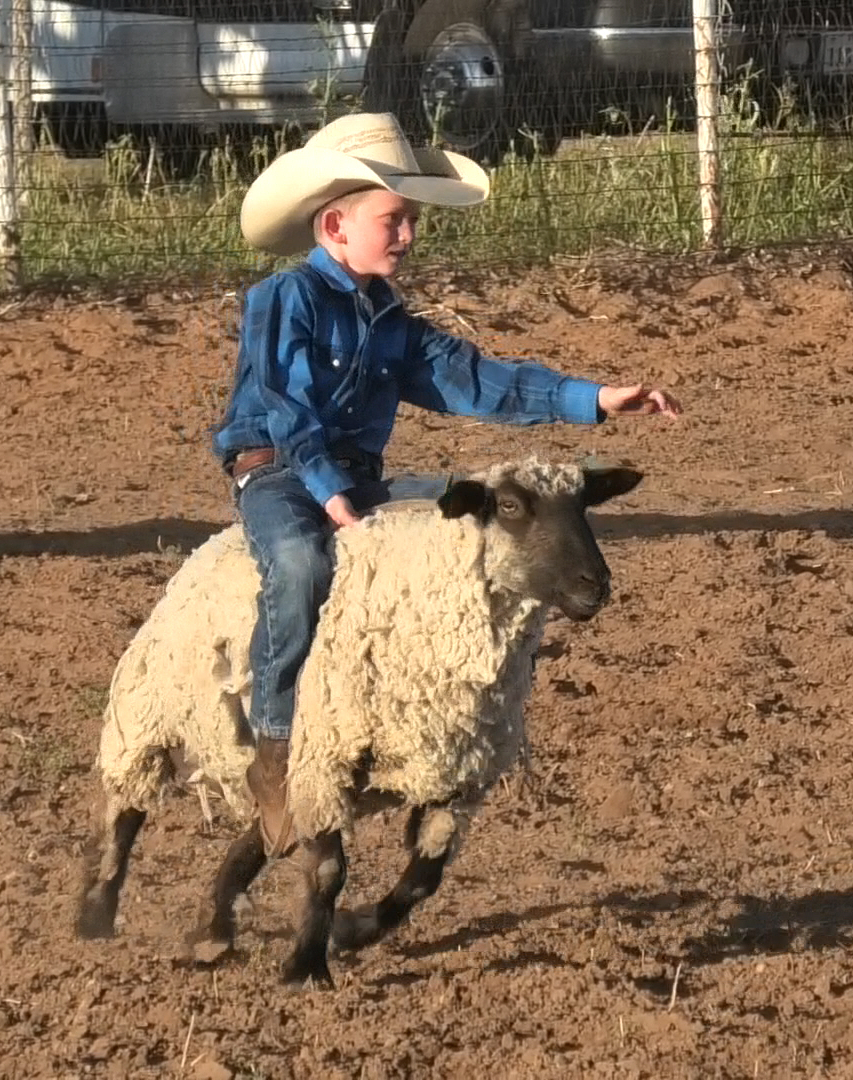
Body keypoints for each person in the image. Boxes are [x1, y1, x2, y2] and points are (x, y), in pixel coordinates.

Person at [210, 111, 682, 855]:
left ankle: (416, 702)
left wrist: (595, 399)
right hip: (277, 474)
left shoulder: (393, 322)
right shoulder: (282, 300)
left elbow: (479, 381)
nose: (407, 236)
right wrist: (331, 492)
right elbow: (282, 404)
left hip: (359, 482)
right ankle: (275, 747)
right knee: (299, 564)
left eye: (411, 221)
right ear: (336, 224)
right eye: (393, 220)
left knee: (469, 516)